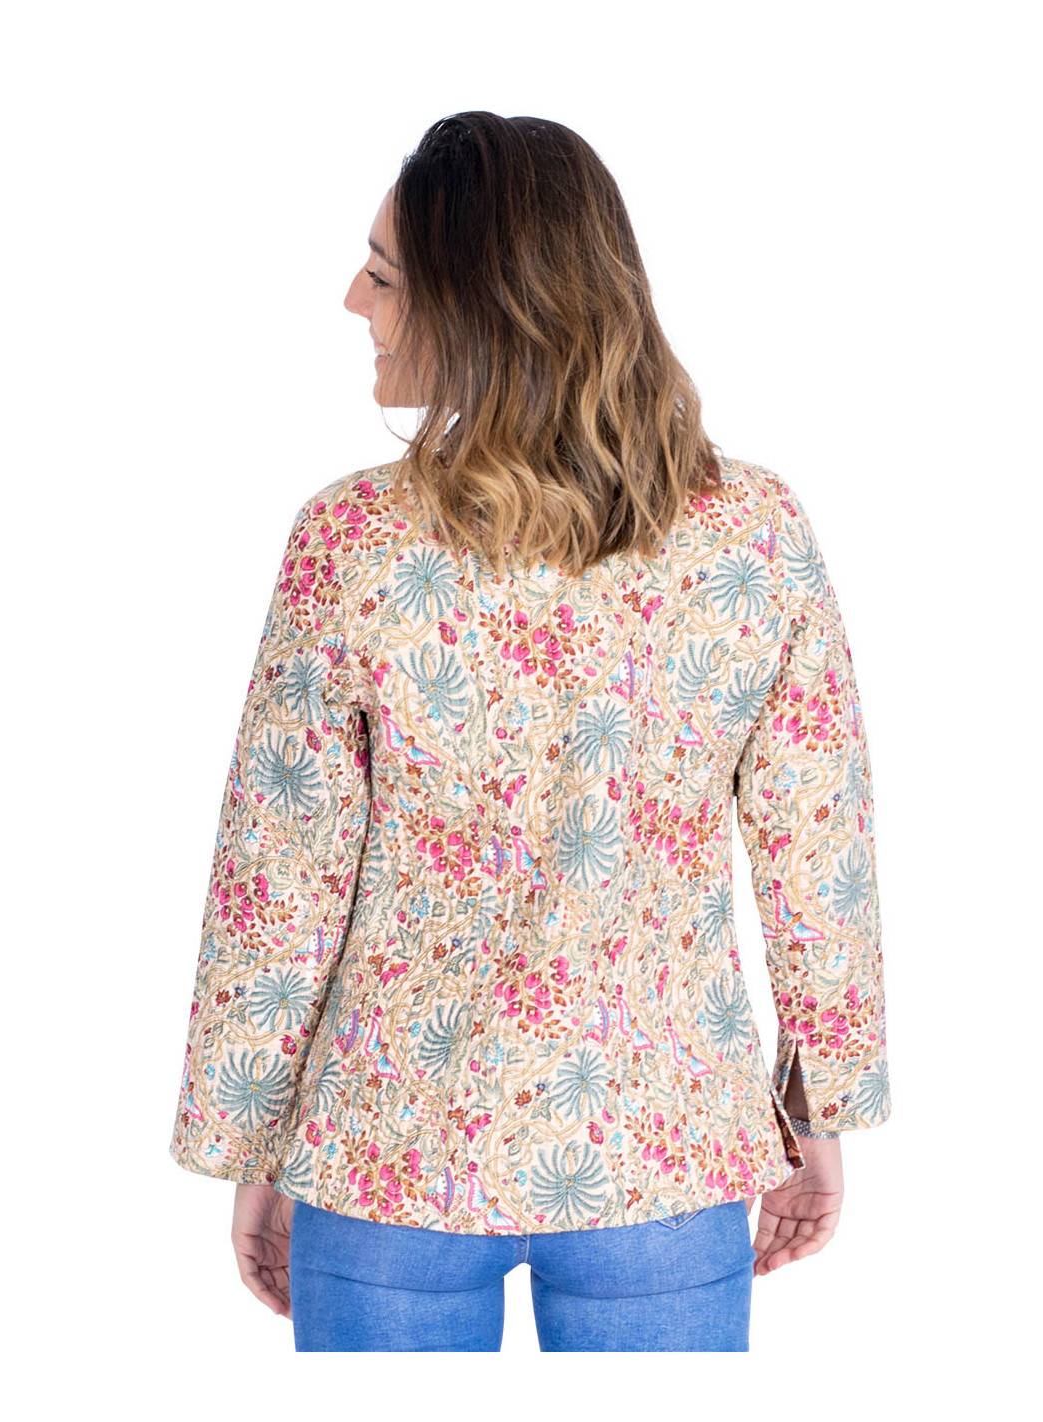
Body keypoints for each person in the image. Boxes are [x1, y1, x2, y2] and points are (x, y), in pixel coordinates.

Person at [168, 111, 891, 1352]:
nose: (352, 299)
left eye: (385, 274)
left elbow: (277, 877)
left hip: (385, 1154)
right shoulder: (754, 534)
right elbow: (817, 850)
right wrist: (816, 1112)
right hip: (660, 1152)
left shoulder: (349, 543)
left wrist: (251, 1142)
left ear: (479, 305)